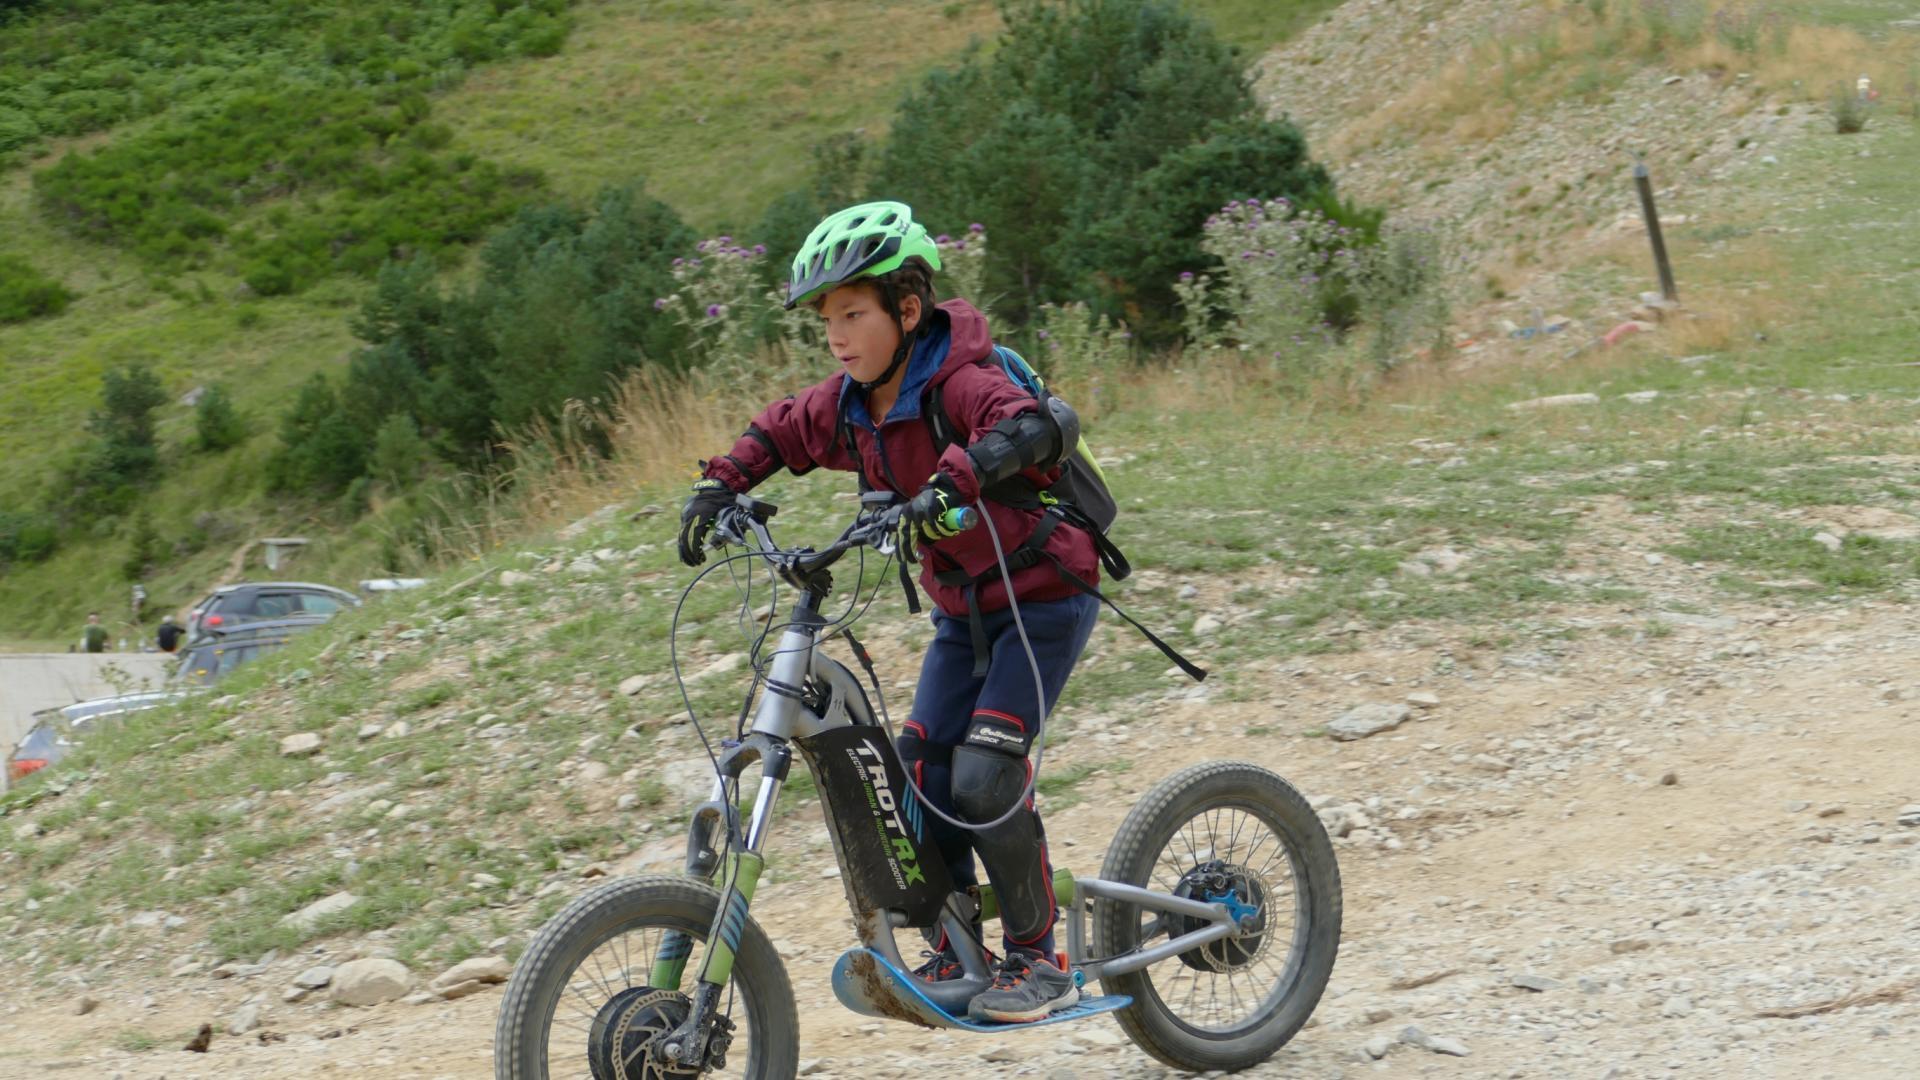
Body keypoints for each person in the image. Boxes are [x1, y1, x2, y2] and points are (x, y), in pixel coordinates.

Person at [677, 202, 1099, 1024]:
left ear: (907, 312)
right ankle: (958, 943)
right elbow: (781, 430)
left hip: (1042, 597)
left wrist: (958, 475)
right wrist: (721, 481)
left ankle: (1038, 959)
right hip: (963, 612)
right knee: (917, 772)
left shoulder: (962, 382)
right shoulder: (853, 403)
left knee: (983, 776)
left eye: (853, 315)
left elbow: (1029, 425)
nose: (837, 336)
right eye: (827, 320)